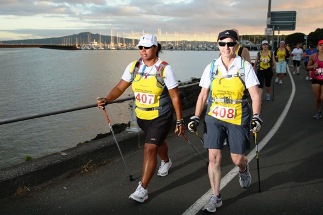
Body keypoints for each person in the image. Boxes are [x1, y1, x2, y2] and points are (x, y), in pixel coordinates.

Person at [97, 34, 185, 203]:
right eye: (141, 47)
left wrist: (180, 120)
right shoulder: (134, 67)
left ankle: (142, 188)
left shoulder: (165, 69)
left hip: (161, 115)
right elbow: (120, 86)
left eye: (147, 47)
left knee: (149, 148)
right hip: (142, 116)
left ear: (156, 48)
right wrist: (107, 99)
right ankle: (166, 161)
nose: (143, 51)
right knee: (157, 143)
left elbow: (175, 97)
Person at [188, 29, 262, 213]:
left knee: (237, 159)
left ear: (236, 45)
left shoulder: (244, 67)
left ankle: (243, 169)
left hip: (238, 115)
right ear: (218, 45)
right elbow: (203, 94)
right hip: (214, 115)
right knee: (213, 158)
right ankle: (216, 196)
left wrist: (256, 116)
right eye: (222, 43)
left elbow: (255, 94)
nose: (226, 47)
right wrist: (196, 117)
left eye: (230, 43)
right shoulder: (212, 67)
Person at [306, 39, 323, 119]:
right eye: (321, 45)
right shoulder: (313, 56)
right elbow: (307, 67)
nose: (322, 47)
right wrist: (313, 66)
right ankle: (318, 111)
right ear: (318, 47)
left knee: (322, 97)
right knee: (317, 98)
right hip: (316, 79)